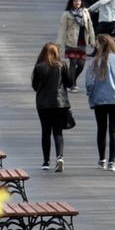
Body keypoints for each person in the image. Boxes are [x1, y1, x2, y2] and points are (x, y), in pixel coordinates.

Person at [85, 34, 115, 172]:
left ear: (99, 45)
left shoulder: (95, 61)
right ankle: (112, 162)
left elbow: (89, 82)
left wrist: (91, 94)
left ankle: (102, 160)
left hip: (100, 99)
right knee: (114, 130)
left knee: (101, 129)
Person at [31, 42, 73, 172]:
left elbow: (34, 86)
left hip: (43, 104)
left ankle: (46, 161)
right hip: (60, 103)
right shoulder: (62, 66)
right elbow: (70, 83)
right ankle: (59, 157)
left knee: (45, 132)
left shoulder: (39, 67)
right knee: (58, 132)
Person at [57, 0, 95, 92]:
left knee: (81, 64)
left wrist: (92, 40)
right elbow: (62, 29)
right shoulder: (66, 14)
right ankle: (73, 84)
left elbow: (90, 26)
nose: (77, 3)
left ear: (81, 2)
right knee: (73, 63)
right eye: (75, 1)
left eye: (78, 1)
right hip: (71, 42)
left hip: (82, 42)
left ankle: (71, 80)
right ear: (71, 2)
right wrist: (58, 44)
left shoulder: (85, 12)